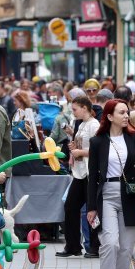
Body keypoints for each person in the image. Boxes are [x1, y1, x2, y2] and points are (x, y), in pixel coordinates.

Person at [86, 99, 135, 269]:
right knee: (110, 243)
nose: (126, 116)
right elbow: (92, 176)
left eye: (127, 112)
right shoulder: (98, 142)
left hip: (131, 196)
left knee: (125, 248)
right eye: (121, 112)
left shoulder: (134, 139)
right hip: (106, 195)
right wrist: (91, 207)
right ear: (110, 116)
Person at [57, 95, 101, 258]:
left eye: (75, 109)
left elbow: (100, 149)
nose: (73, 112)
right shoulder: (81, 124)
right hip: (80, 172)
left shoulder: (94, 125)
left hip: (89, 173)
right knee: (70, 206)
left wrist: (80, 151)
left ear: (85, 107)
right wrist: (74, 147)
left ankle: (94, 246)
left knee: (91, 209)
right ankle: (73, 245)